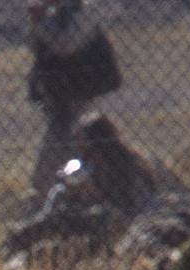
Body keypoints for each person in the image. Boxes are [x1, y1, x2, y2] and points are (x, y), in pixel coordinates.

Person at [25, 0, 120, 194]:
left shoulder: (86, 13)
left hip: (82, 94)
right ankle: (53, 190)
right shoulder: (53, 17)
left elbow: (65, 45)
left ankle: (46, 191)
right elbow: (35, 45)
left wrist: (40, 21)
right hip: (60, 98)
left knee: (65, 146)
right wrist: (39, 21)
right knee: (61, 147)